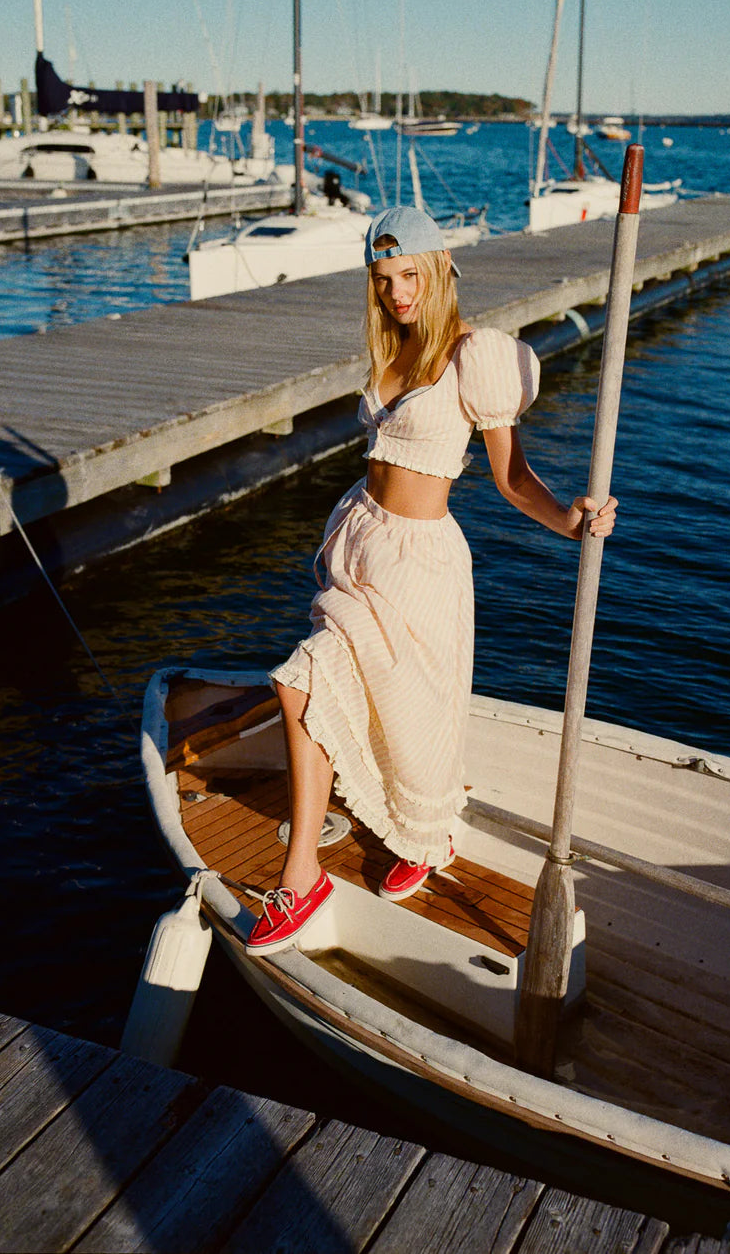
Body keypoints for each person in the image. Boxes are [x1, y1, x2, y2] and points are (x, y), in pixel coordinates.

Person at [246, 207, 618, 956]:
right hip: (362, 544)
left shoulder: (473, 357)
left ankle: (363, 856)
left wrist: (573, 520)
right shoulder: (391, 349)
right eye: (383, 280)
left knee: (341, 696)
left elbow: (512, 478)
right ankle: (323, 862)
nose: (396, 292)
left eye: (409, 275)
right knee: (319, 687)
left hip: (420, 564)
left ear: (440, 267)